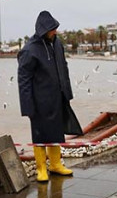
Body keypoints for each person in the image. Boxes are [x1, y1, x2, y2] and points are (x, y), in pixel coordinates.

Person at [17, 10, 81, 182]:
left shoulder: (56, 43)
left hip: (58, 97)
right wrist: (27, 106)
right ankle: (41, 169)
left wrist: (67, 92)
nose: (55, 31)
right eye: (52, 29)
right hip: (39, 101)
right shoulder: (29, 50)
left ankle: (55, 164)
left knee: (56, 132)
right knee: (40, 135)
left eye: (56, 28)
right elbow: (23, 80)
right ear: (43, 29)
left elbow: (63, 67)